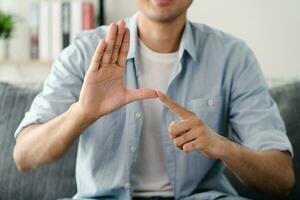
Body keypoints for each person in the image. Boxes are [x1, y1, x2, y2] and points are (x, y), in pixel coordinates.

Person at [13, 0, 295, 199]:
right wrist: (81, 113)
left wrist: (223, 147)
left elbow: (282, 178)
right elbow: (24, 156)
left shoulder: (233, 57)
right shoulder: (85, 51)